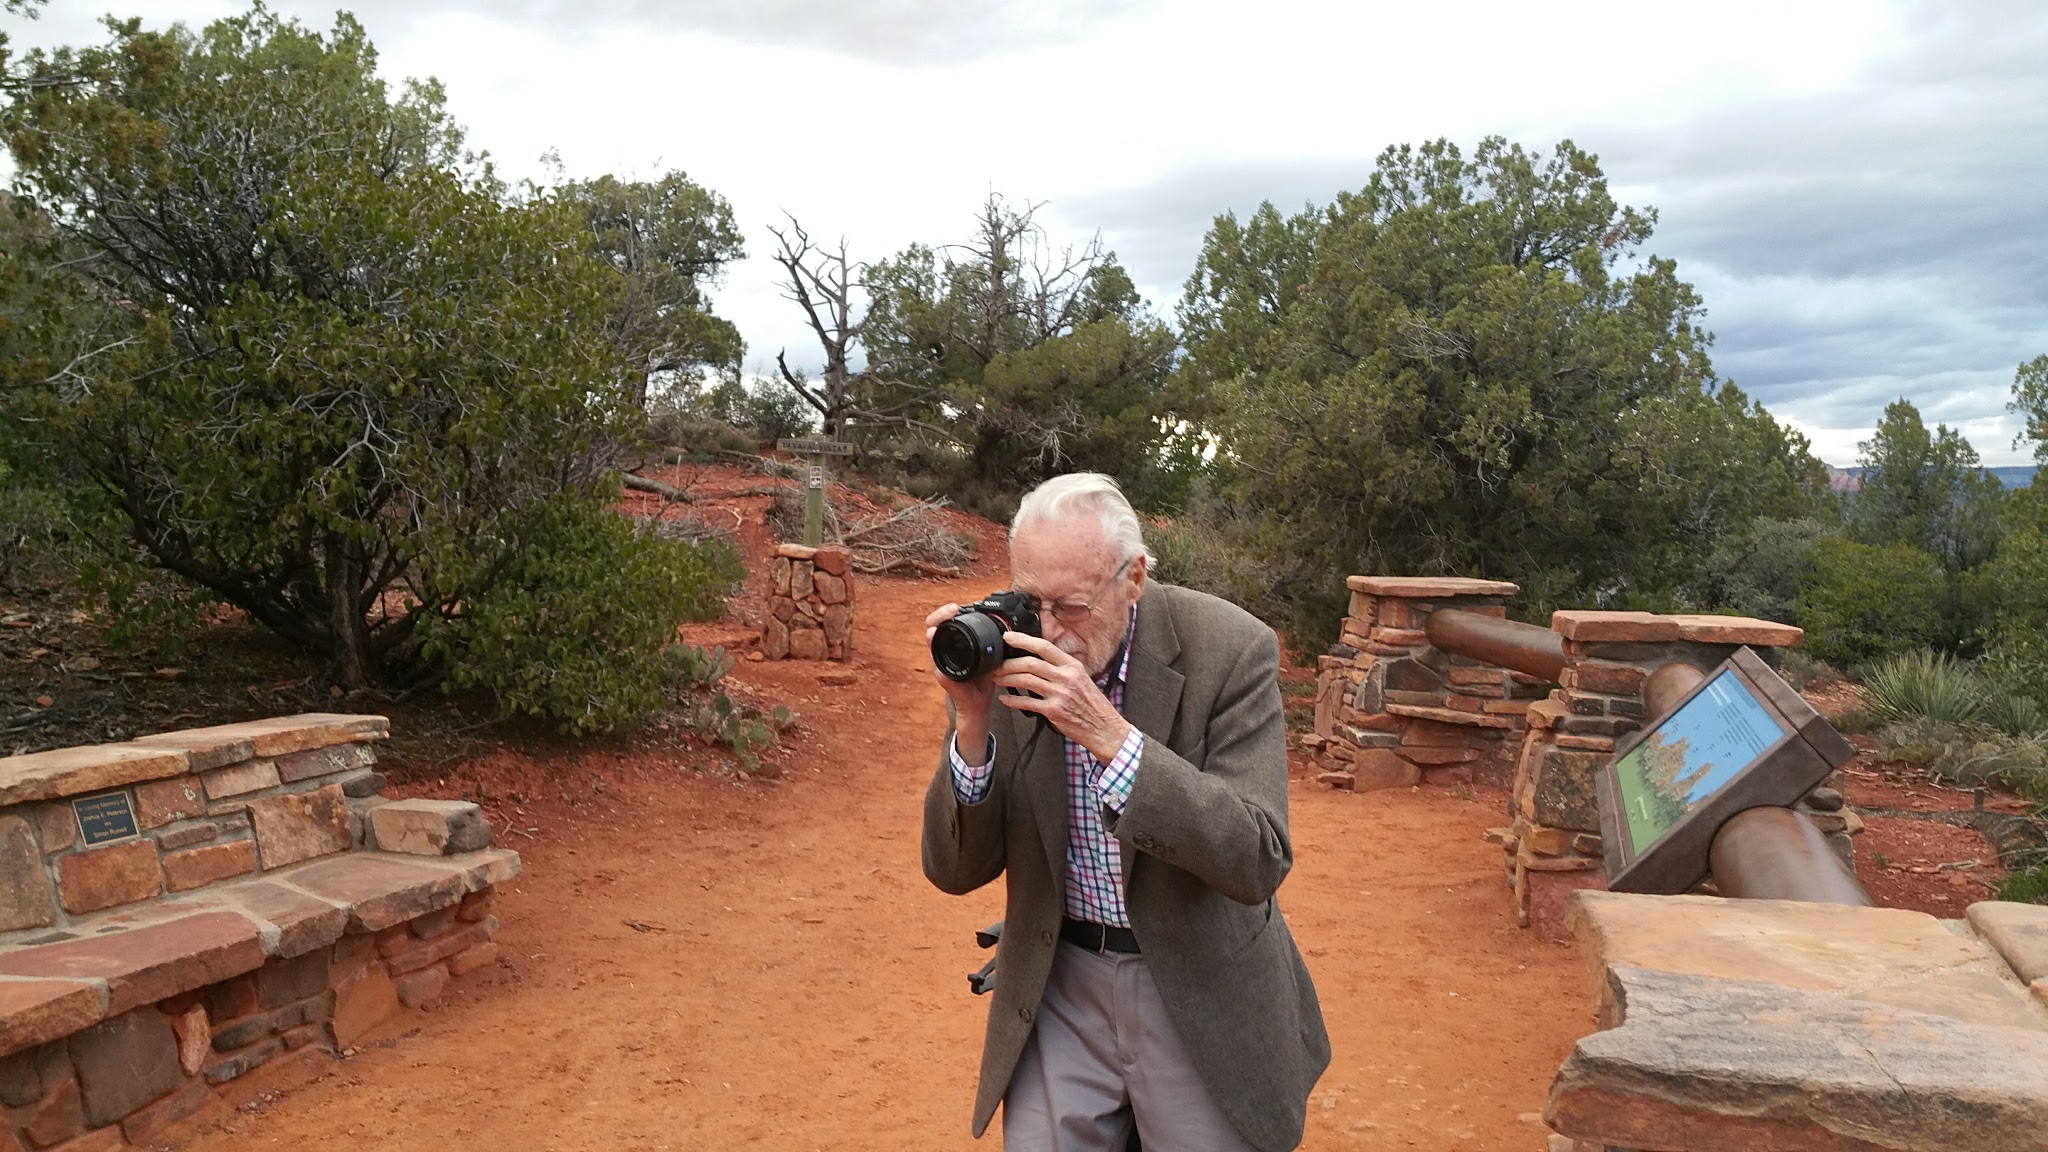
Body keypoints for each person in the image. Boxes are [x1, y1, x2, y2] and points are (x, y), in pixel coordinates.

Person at [921, 473, 1329, 1152]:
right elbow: (956, 871)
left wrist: (1110, 738)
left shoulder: (1229, 650)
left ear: (1133, 578)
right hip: (1060, 979)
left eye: (1072, 606)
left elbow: (1257, 856)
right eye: (1032, 599)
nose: (1048, 631)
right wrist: (972, 721)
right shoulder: (1009, 652)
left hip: (1195, 978)